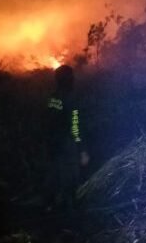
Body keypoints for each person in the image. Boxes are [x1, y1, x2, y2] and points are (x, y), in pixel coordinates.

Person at [43, 65, 89, 213]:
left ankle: (51, 206)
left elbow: (46, 122)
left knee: (54, 175)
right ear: (69, 80)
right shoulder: (71, 100)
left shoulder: (52, 98)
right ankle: (69, 211)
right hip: (67, 145)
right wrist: (82, 150)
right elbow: (75, 126)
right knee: (70, 178)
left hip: (52, 143)